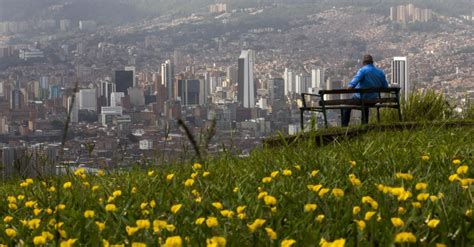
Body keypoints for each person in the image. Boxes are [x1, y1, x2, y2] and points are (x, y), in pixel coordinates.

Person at [342, 54, 389, 127]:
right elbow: (385, 87)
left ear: (364, 63)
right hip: (373, 100)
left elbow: (355, 81)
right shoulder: (380, 72)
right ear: (372, 62)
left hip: (361, 99)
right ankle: (364, 124)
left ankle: (344, 126)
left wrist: (350, 86)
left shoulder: (363, 70)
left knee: (347, 107)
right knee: (365, 105)